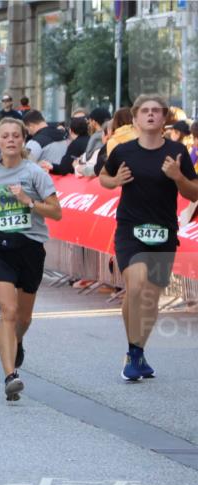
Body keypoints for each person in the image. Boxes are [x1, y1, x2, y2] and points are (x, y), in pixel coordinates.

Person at [99, 94, 198, 381]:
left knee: (151, 296)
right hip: (130, 229)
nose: (151, 115)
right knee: (137, 284)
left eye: (157, 111)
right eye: (146, 111)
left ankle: (138, 351)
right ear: (136, 117)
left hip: (164, 231)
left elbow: (193, 193)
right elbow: (104, 176)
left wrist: (178, 176)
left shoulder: (177, 151)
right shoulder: (123, 151)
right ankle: (132, 351)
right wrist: (115, 181)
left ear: (165, 117)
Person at [0, 117, 63, 401]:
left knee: (23, 316)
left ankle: (17, 340)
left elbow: (56, 212)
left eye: (15, 136)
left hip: (30, 247)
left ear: (22, 141)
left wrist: (29, 202)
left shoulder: (35, 174)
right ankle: (10, 376)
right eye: (4, 136)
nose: (10, 140)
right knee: (7, 311)